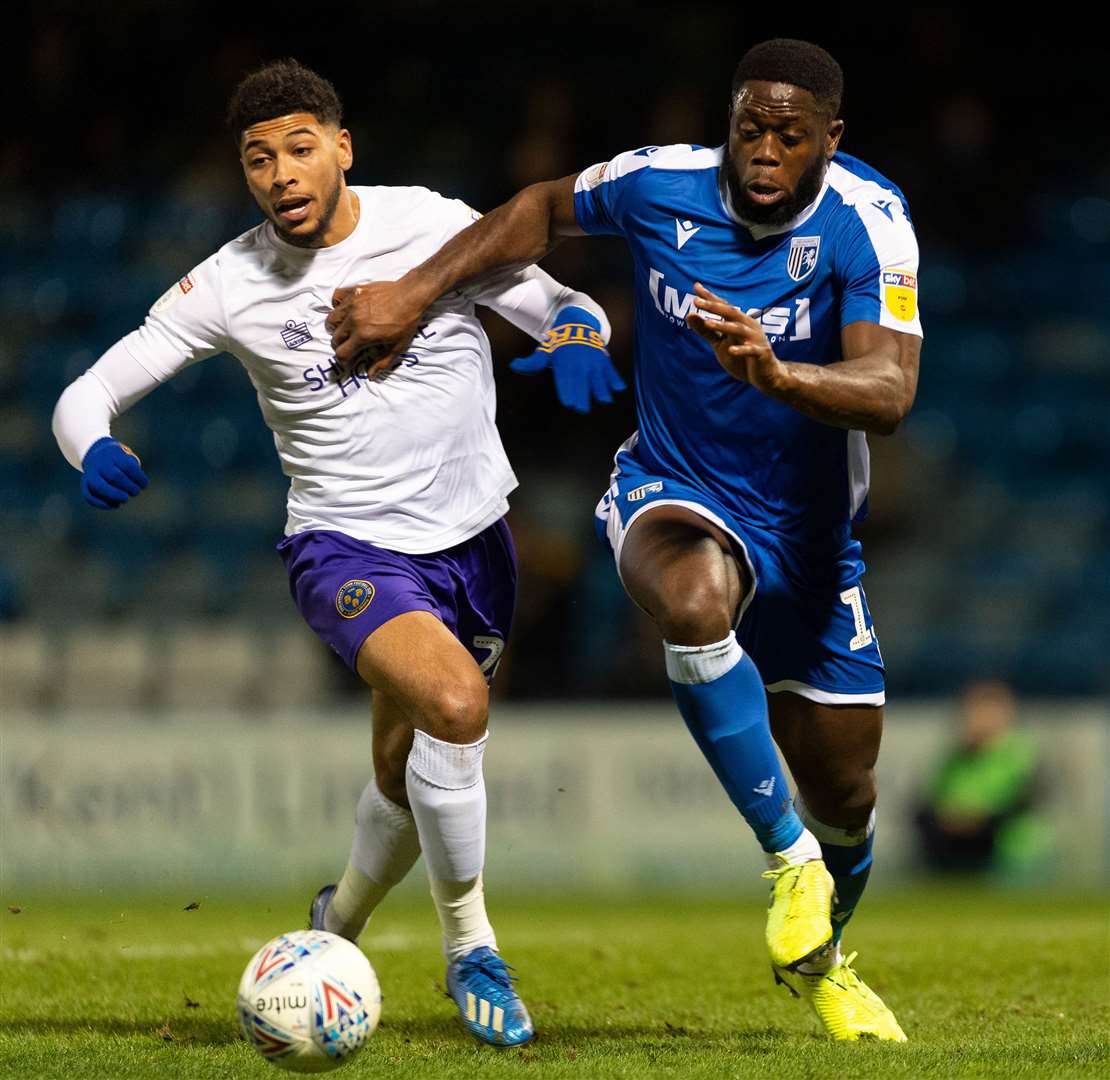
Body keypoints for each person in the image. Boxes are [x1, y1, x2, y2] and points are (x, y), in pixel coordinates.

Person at [325, 38, 922, 1041]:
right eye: (749, 130)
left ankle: (823, 953)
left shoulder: (872, 222)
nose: (764, 153)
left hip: (814, 540)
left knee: (851, 795)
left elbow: (890, 391)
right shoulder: (659, 183)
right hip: (675, 486)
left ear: (831, 138)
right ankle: (787, 860)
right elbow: (539, 210)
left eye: (790, 135)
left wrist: (781, 377)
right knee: (690, 605)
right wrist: (412, 293)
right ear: (726, 122)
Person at [51, 58, 623, 1050]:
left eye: (300, 149)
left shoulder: (431, 224)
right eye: (258, 159)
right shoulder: (229, 283)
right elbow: (86, 391)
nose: (281, 175)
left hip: (478, 543)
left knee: (409, 767)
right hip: (345, 547)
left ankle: (338, 924)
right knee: (455, 706)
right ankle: (471, 948)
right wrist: (92, 443)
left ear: (342, 148)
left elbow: (564, 303)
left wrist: (578, 337)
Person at [915, 680, 1048, 876]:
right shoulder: (953, 760)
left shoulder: (1021, 754)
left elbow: (1024, 802)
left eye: (986, 712)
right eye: (972, 711)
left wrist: (977, 819)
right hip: (959, 849)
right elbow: (930, 803)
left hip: (1010, 854)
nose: (977, 719)